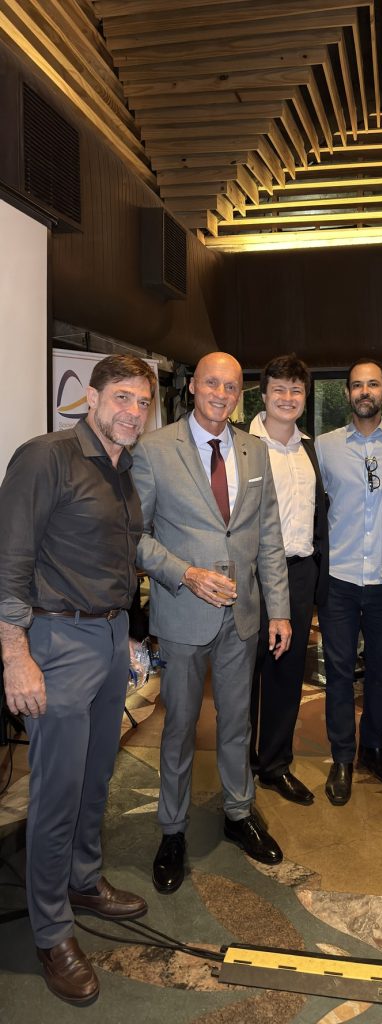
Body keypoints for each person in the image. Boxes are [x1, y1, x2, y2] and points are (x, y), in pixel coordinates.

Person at [0, 355, 156, 1005]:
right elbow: (9, 561)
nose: (133, 412)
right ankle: (50, 929)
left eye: (143, 402)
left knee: (96, 777)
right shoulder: (47, 457)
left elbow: (117, 558)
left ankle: (83, 880)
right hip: (56, 641)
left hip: (109, 637)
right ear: (90, 399)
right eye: (122, 397)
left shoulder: (123, 470)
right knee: (57, 793)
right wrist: (15, 655)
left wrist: (127, 636)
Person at [131, 352, 291, 893]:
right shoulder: (154, 449)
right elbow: (135, 536)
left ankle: (238, 813)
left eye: (231, 386)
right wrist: (187, 573)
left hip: (242, 617)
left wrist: (280, 610)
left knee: (236, 722)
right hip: (183, 613)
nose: (221, 394)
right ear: (193, 387)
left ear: (239, 395)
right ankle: (172, 830)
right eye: (212, 383)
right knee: (178, 727)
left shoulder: (254, 450)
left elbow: (268, 536)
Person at [315, 360, 382, 805]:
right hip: (338, 578)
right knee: (338, 672)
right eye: (357, 385)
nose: (364, 391)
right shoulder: (324, 447)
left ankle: (373, 748)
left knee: (380, 671)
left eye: (372, 384)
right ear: (347, 393)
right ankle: (342, 756)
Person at [249, 354, 329, 805]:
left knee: (287, 671)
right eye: (279, 388)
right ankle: (240, 763)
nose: (287, 397)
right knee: (243, 673)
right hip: (251, 574)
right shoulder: (241, 444)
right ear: (263, 395)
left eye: (296, 390)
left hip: (298, 573)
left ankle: (275, 764)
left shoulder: (308, 449)